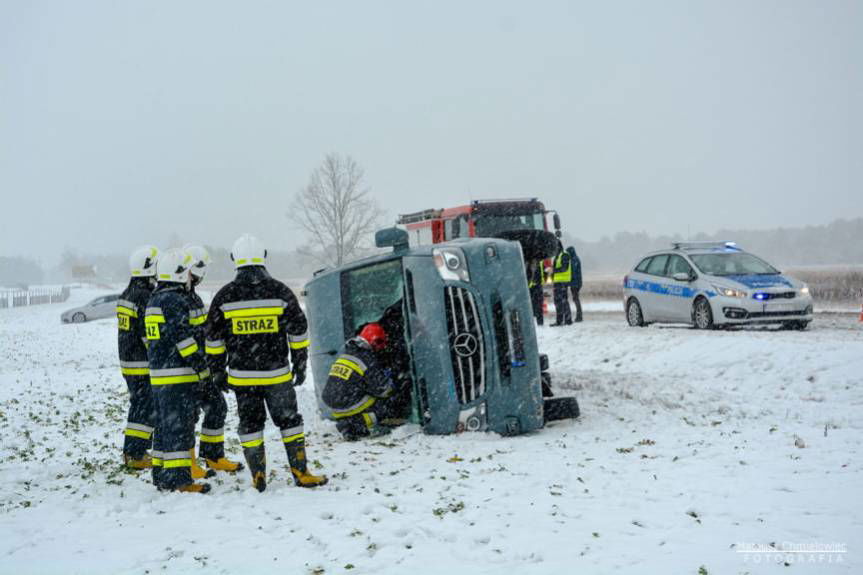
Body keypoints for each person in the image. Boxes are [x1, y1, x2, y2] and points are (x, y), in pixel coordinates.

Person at [205, 234, 328, 492]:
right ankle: (301, 472)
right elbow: (298, 330)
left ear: (234, 259)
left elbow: (213, 339)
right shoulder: (280, 291)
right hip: (277, 375)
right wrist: (300, 362)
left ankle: (258, 474)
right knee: (289, 421)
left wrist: (217, 371)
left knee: (250, 425)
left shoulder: (224, 296)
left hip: (242, 378)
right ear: (263, 257)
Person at [146, 248, 213, 493]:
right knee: (179, 428)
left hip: (159, 375)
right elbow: (183, 340)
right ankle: (180, 480)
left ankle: (162, 474)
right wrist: (201, 367)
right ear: (179, 273)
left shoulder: (154, 299)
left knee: (164, 427)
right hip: (177, 375)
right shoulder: (175, 300)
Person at [185, 245, 244, 475]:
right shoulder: (178, 298)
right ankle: (187, 463)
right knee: (188, 416)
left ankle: (213, 455)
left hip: (201, 366)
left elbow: (205, 332)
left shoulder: (193, 297)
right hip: (186, 369)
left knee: (217, 406)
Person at [117, 245, 159, 469]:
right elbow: (147, 334)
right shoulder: (145, 297)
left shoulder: (128, 293)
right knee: (145, 408)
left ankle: (135, 451)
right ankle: (135, 454)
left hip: (129, 361)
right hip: (142, 363)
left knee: (139, 405)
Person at [322, 323, 401, 441]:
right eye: (381, 343)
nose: (383, 347)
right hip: (347, 403)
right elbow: (383, 390)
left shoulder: (348, 352)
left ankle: (348, 421)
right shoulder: (367, 359)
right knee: (386, 406)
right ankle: (355, 426)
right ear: (374, 341)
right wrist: (395, 383)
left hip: (333, 405)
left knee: (360, 393)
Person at [551, 242, 573, 326]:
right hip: (558, 282)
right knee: (558, 301)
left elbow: (564, 268)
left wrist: (553, 270)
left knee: (562, 301)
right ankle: (561, 320)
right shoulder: (558, 255)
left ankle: (567, 320)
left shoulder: (564, 255)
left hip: (563, 282)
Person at [566, 245, 583, 322]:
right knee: (576, 299)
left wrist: (568, 281)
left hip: (575, 283)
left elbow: (572, 272)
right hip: (577, 283)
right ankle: (579, 315)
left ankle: (579, 316)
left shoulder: (574, 260)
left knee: (576, 299)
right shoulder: (575, 259)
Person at [527, 258, 545, 326]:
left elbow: (544, 273)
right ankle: (533, 322)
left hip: (537, 287)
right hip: (531, 287)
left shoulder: (540, 264)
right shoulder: (528, 264)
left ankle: (539, 322)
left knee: (538, 305)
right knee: (532, 305)